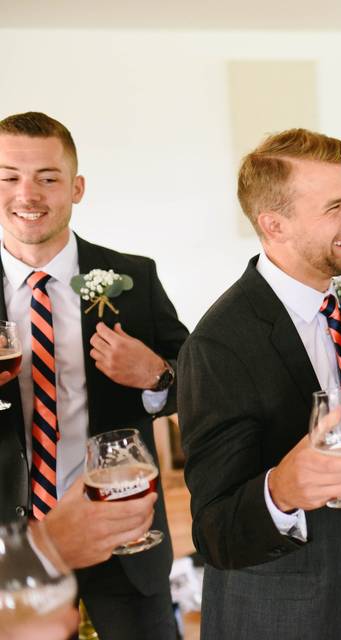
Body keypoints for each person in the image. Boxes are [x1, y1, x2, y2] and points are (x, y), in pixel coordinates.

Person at [177, 128, 341, 639]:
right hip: (278, 613)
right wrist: (282, 490)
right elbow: (214, 532)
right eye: (334, 207)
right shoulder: (219, 345)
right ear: (274, 224)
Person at [0, 112, 187, 639]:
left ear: (76, 187)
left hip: (123, 539)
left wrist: (155, 375)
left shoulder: (136, 278)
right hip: (10, 552)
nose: (27, 193)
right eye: (9, 176)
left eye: (48, 177)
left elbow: (201, 382)